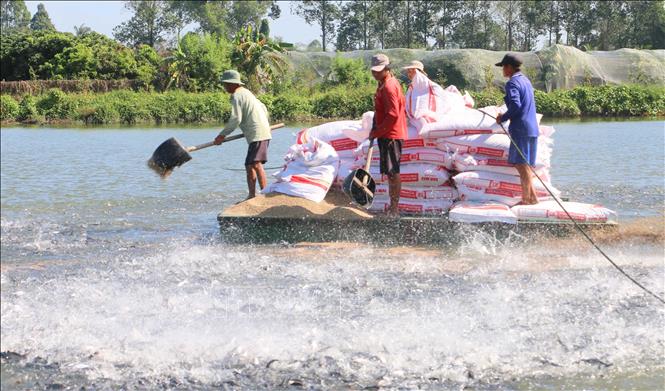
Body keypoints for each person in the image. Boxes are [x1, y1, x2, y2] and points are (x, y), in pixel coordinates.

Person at [213, 70, 272, 200]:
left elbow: (235, 119)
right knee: (249, 164)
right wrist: (264, 125)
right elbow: (263, 108)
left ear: (232, 84)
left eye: (226, 84)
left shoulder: (237, 96)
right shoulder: (247, 93)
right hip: (260, 132)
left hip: (258, 134)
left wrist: (221, 136)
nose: (225, 87)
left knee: (256, 163)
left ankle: (266, 194)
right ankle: (252, 196)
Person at [495, 53, 539, 205]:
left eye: (503, 67)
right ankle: (532, 197)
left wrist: (503, 117)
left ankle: (527, 199)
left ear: (509, 67)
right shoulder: (526, 81)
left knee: (522, 164)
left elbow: (516, 105)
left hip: (521, 128)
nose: (502, 70)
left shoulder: (512, 83)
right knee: (525, 164)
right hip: (532, 127)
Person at [369, 54, 407, 217]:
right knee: (390, 172)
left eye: (379, 71)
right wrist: (375, 125)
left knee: (393, 172)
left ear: (387, 68)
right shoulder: (383, 84)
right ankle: (392, 207)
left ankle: (394, 209)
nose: (375, 74)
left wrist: (377, 132)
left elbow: (392, 115)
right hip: (385, 133)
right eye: (374, 71)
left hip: (391, 135)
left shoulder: (390, 87)